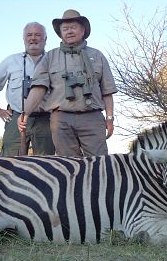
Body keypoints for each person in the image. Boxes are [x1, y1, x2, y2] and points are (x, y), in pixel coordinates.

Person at [18, 10, 117, 157]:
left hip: (92, 118)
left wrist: (109, 118)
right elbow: (38, 88)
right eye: (65, 29)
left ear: (82, 30)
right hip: (61, 120)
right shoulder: (50, 57)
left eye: (73, 27)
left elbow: (107, 91)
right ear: (60, 33)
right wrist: (25, 113)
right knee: (67, 167)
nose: (69, 31)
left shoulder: (97, 56)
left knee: (99, 164)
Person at [0, 22, 55, 156]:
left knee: (46, 165)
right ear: (24, 39)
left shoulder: (54, 61)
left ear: (45, 39)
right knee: (9, 163)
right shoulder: (11, 61)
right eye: (29, 35)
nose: (33, 38)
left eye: (38, 35)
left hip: (45, 120)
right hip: (16, 116)